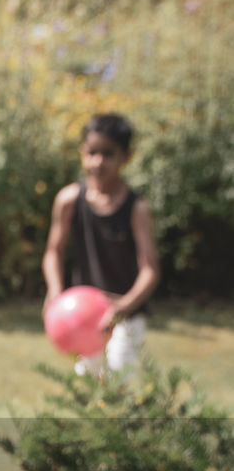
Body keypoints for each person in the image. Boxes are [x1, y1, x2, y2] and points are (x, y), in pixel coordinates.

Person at [42, 112, 160, 377]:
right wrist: (55, 291)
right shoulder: (69, 200)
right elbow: (53, 251)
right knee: (88, 384)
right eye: (92, 152)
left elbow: (150, 269)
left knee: (119, 383)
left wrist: (123, 306)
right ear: (82, 152)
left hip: (126, 315)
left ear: (126, 156)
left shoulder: (136, 208)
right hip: (84, 315)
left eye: (108, 153)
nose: (98, 162)